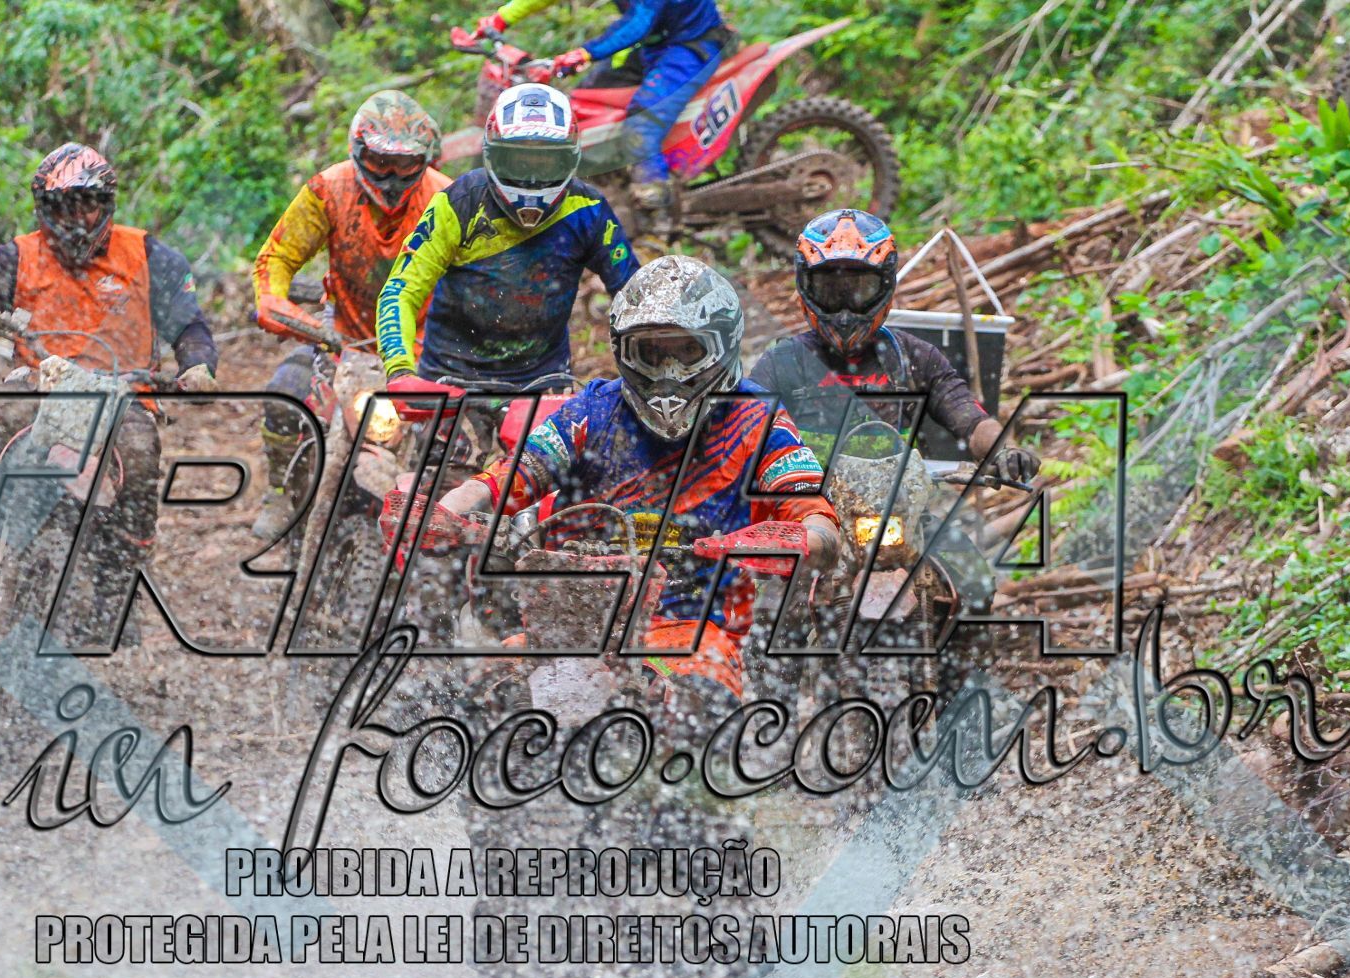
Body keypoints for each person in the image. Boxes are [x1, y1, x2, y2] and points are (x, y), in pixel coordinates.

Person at [404, 255, 838, 709]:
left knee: (699, 704)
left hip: (691, 627)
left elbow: (812, 509)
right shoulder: (594, 409)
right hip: (569, 621)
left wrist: (801, 539)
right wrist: (445, 510)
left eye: (686, 351)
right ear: (625, 352)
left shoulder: (757, 419)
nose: (669, 371)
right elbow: (515, 473)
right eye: (652, 352)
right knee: (479, 698)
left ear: (721, 346)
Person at [0, 143, 218, 634]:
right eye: (62, 206)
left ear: (106, 203)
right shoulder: (15, 255)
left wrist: (197, 367)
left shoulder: (151, 256)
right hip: (36, 384)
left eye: (86, 204)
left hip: (123, 393)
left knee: (140, 456)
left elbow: (189, 325)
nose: (75, 218)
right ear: (43, 209)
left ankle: (119, 581)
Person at [377, 83, 637, 443]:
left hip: (544, 385)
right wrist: (400, 372)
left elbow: (635, 295)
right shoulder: (459, 203)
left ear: (569, 159)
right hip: (451, 383)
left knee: (568, 477)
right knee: (434, 473)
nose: (531, 175)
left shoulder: (588, 210)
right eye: (518, 160)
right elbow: (401, 290)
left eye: (545, 162)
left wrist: (647, 372)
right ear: (493, 156)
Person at [249, 90, 450, 539]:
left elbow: (479, 272)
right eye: (380, 162)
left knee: (455, 445)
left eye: (404, 164)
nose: (392, 177)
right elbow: (277, 257)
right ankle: (280, 490)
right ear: (359, 152)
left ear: (424, 159)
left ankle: (447, 542)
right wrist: (274, 302)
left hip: (424, 353)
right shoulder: (329, 189)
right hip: (342, 341)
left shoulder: (447, 198)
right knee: (284, 396)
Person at [748, 208, 1039, 485]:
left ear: (885, 287)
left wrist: (1003, 451)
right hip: (806, 507)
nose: (845, 311)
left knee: (948, 526)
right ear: (805, 288)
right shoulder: (782, 362)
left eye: (860, 290)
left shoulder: (915, 358)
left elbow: (970, 419)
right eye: (831, 292)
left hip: (897, 506)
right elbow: (744, 427)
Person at [467, 0, 729, 204]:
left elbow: (639, 21)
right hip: (652, 46)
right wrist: (502, 18)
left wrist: (585, 53)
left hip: (691, 45)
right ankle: (607, 182)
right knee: (584, 100)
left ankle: (655, 201)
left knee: (642, 120)